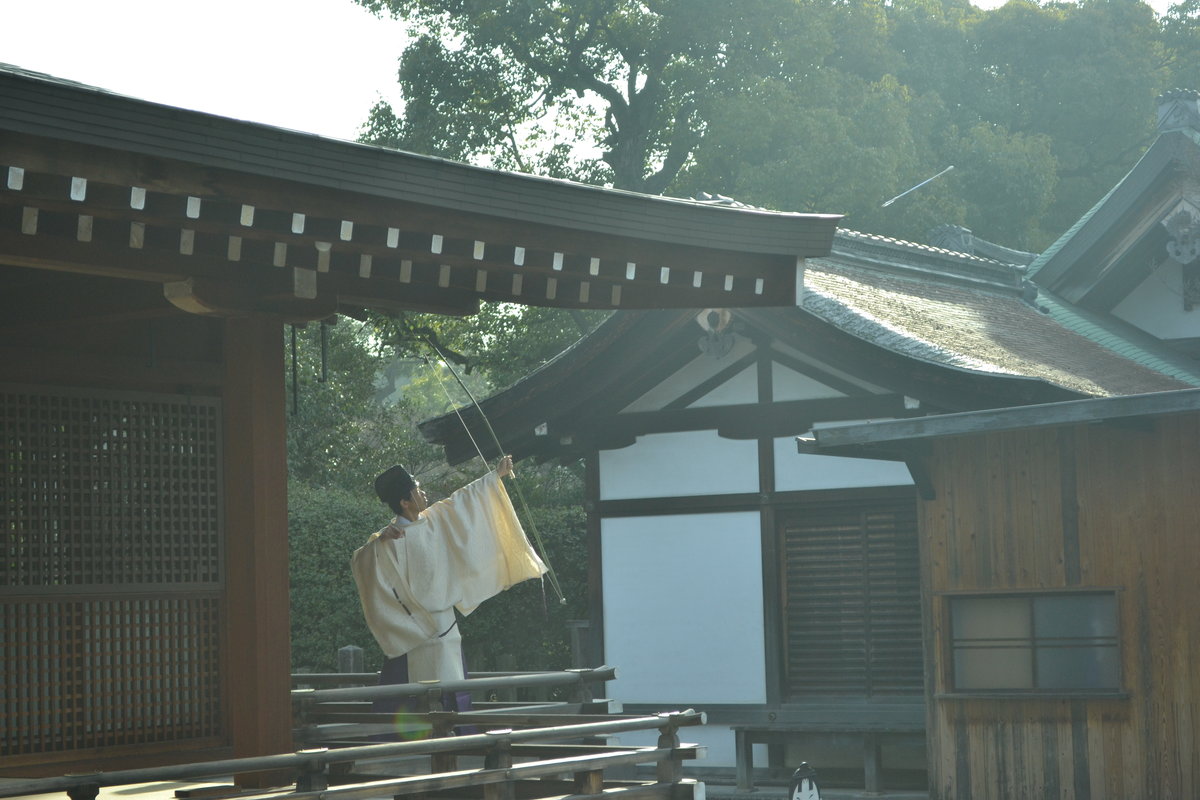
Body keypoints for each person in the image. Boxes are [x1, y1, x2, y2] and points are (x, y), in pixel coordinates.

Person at [351, 455, 546, 714]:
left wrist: (494, 477)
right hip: (411, 631)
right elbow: (361, 562)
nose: (423, 492)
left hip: (445, 624)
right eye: (417, 490)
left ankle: (454, 737)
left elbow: (464, 500)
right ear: (404, 501)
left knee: (452, 690)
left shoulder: (437, 518)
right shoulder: (385, 540)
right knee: (405, 699)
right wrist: (379, 543)